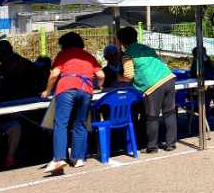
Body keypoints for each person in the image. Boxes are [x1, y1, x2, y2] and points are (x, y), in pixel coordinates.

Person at [41, 32, 105, 173]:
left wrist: (47, 90)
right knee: (80, 123)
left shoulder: (64, 55)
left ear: (64, 44)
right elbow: (101, 75)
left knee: (61, 124)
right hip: (86, 90)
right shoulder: (88, 56)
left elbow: (54, 74)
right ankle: (78, 158)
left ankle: (59, 158)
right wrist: (98, 85)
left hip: (66, 88)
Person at [118, 26, 178, 153]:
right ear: (135, 37)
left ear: (121, 41)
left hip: (152, 85)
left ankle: (152, 147)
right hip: (168, 78)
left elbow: (129, 76)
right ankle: (171, 144)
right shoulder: (146, 48)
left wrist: (119, 78)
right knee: (169, 113)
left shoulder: (128, 54)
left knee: (152, 116)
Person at [0, 64, 21, 168]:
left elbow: (15, 107)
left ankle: (10, 157)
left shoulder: (7, 89)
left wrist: (15, 113)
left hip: (5, 121)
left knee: (16, 126)